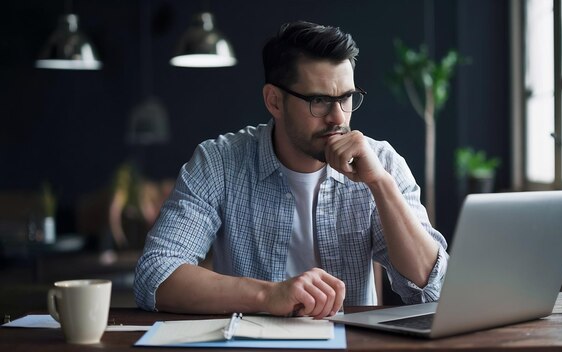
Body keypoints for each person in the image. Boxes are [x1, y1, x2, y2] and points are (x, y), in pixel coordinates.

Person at [134, 20, 448, 319]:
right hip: (250, 346)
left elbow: (431, 289)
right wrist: (268, 296)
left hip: (352, 344)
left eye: (347, 98)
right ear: (274, 101)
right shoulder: (220, 163)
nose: (338, 118)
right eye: (320, 101)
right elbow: (156, 274)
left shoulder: (383, 164)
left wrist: (381, 184)